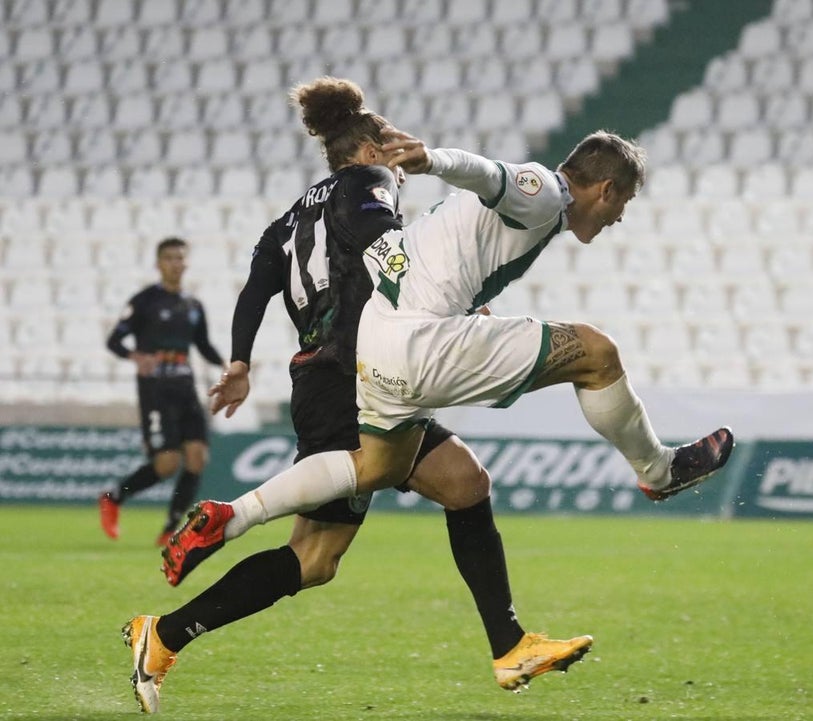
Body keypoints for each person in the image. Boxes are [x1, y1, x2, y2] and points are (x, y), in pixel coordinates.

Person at [120, 78, 589, 715]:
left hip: (319, 374)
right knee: (376, 524)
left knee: (352, 540)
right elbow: (382, 245)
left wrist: (239, 363)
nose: (399, 169)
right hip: (359, 367)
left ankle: (164, 634)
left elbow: (254, 291)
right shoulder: (369, 183)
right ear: (368, 151)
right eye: (389, 155)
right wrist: (448, 307)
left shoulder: (287, 220)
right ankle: (217, 546)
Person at [101, 237, 224, 546]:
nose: (175, 263)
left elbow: (203, 345)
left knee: (197, 457)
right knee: (167, 464)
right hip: (155, 390)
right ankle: (114, 497)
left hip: (185, 387)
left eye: (180, 258)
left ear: (186, 263)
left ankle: (171, 528)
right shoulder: (144, 301)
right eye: (169, 258)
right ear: (158, 264)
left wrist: (229, 365)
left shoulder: (193, 305)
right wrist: (135, 356)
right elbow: (114, 340)